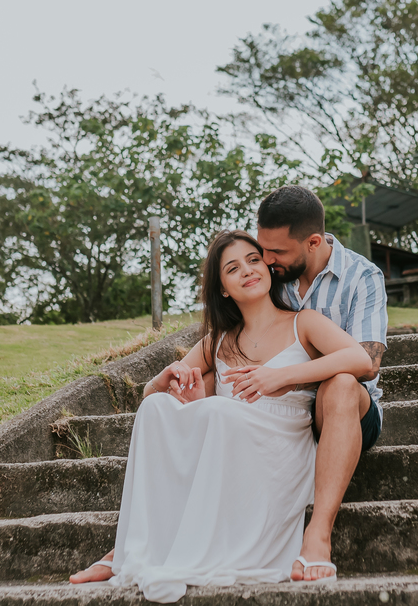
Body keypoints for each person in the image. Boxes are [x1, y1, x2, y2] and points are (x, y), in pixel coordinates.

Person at [71, 230, 372, 602]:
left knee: (215, 409)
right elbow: (156, 399)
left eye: (253, 260)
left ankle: (143, 549)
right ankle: (136, 546)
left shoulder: (303, 322)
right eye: (233, 268)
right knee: (157, 407)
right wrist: (160, 382)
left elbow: (360, 359)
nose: (247, 270)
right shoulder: (216, 341)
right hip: (228, 443)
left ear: (267, 267)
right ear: (224, 288)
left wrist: (280, 376)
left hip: (281, 445)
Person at [254, 185, 388, 582]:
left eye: (277, 251)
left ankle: (318, 537)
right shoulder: (269, 275)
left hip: (348, 412)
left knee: (343, 383)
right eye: (263, 247)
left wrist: (288, 375)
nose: (266, 259)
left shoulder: (362, 276)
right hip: (277, 413)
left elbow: (368, 363)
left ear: (313, 242)